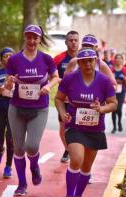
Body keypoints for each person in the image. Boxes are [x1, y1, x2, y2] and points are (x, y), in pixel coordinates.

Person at [55, 48, 117, 197]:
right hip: (74, 126)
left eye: (91, 60)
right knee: (76, 159)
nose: (88, 64)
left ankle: (78, 196)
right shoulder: (69, 79)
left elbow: (113, 103)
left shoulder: (104, 81)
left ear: (96, 61)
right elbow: (59, 99)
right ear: (79, 63)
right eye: (84, 61)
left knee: (87, 166)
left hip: (95, 128)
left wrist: (102, 109)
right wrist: (63, 113)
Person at [4, 24, 59, 196]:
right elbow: (6, 84)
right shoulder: (14, 60)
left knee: (32, 145)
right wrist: (10, 81)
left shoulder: (46, 59)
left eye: (35, 37)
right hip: (17, 108)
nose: (32, 41)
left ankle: (34, 166)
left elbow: (56, 77)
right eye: (29, 37)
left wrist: (48, 86)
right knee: (18, 148)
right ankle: (22, 184)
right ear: (24, 37)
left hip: (39, 109)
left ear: (39, 39)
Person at [53, 30, 79, 163]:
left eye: (75, 40)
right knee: (63, 125)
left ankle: (76, 149)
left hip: (79, 100)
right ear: (66, 42)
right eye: (71, 40)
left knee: (77, 126)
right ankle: (67, 149)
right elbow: (51, 75)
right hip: (63, 99)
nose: (73, 42)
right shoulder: (59, 59)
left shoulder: (84, 58)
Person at [0, 47, 15, 178]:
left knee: (11, 139)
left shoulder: (19, 72)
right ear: (1, 59)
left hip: (14, 109)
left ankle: (8, 166)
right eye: (6, 55)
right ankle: (0, 149)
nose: (9, 57)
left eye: (12, 55)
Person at [111, 53, 126, 133]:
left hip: (121, 91)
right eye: (117, 58)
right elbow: (108, 80)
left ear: (122, 60)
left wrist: (125, 79)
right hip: (112, 92)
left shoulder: (125, 69)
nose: (118, 60)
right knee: (113, 109)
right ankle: (114, 127)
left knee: (119, 108)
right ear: (114, 60)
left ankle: (119, 122)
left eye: (120, 58)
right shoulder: (111, 69)